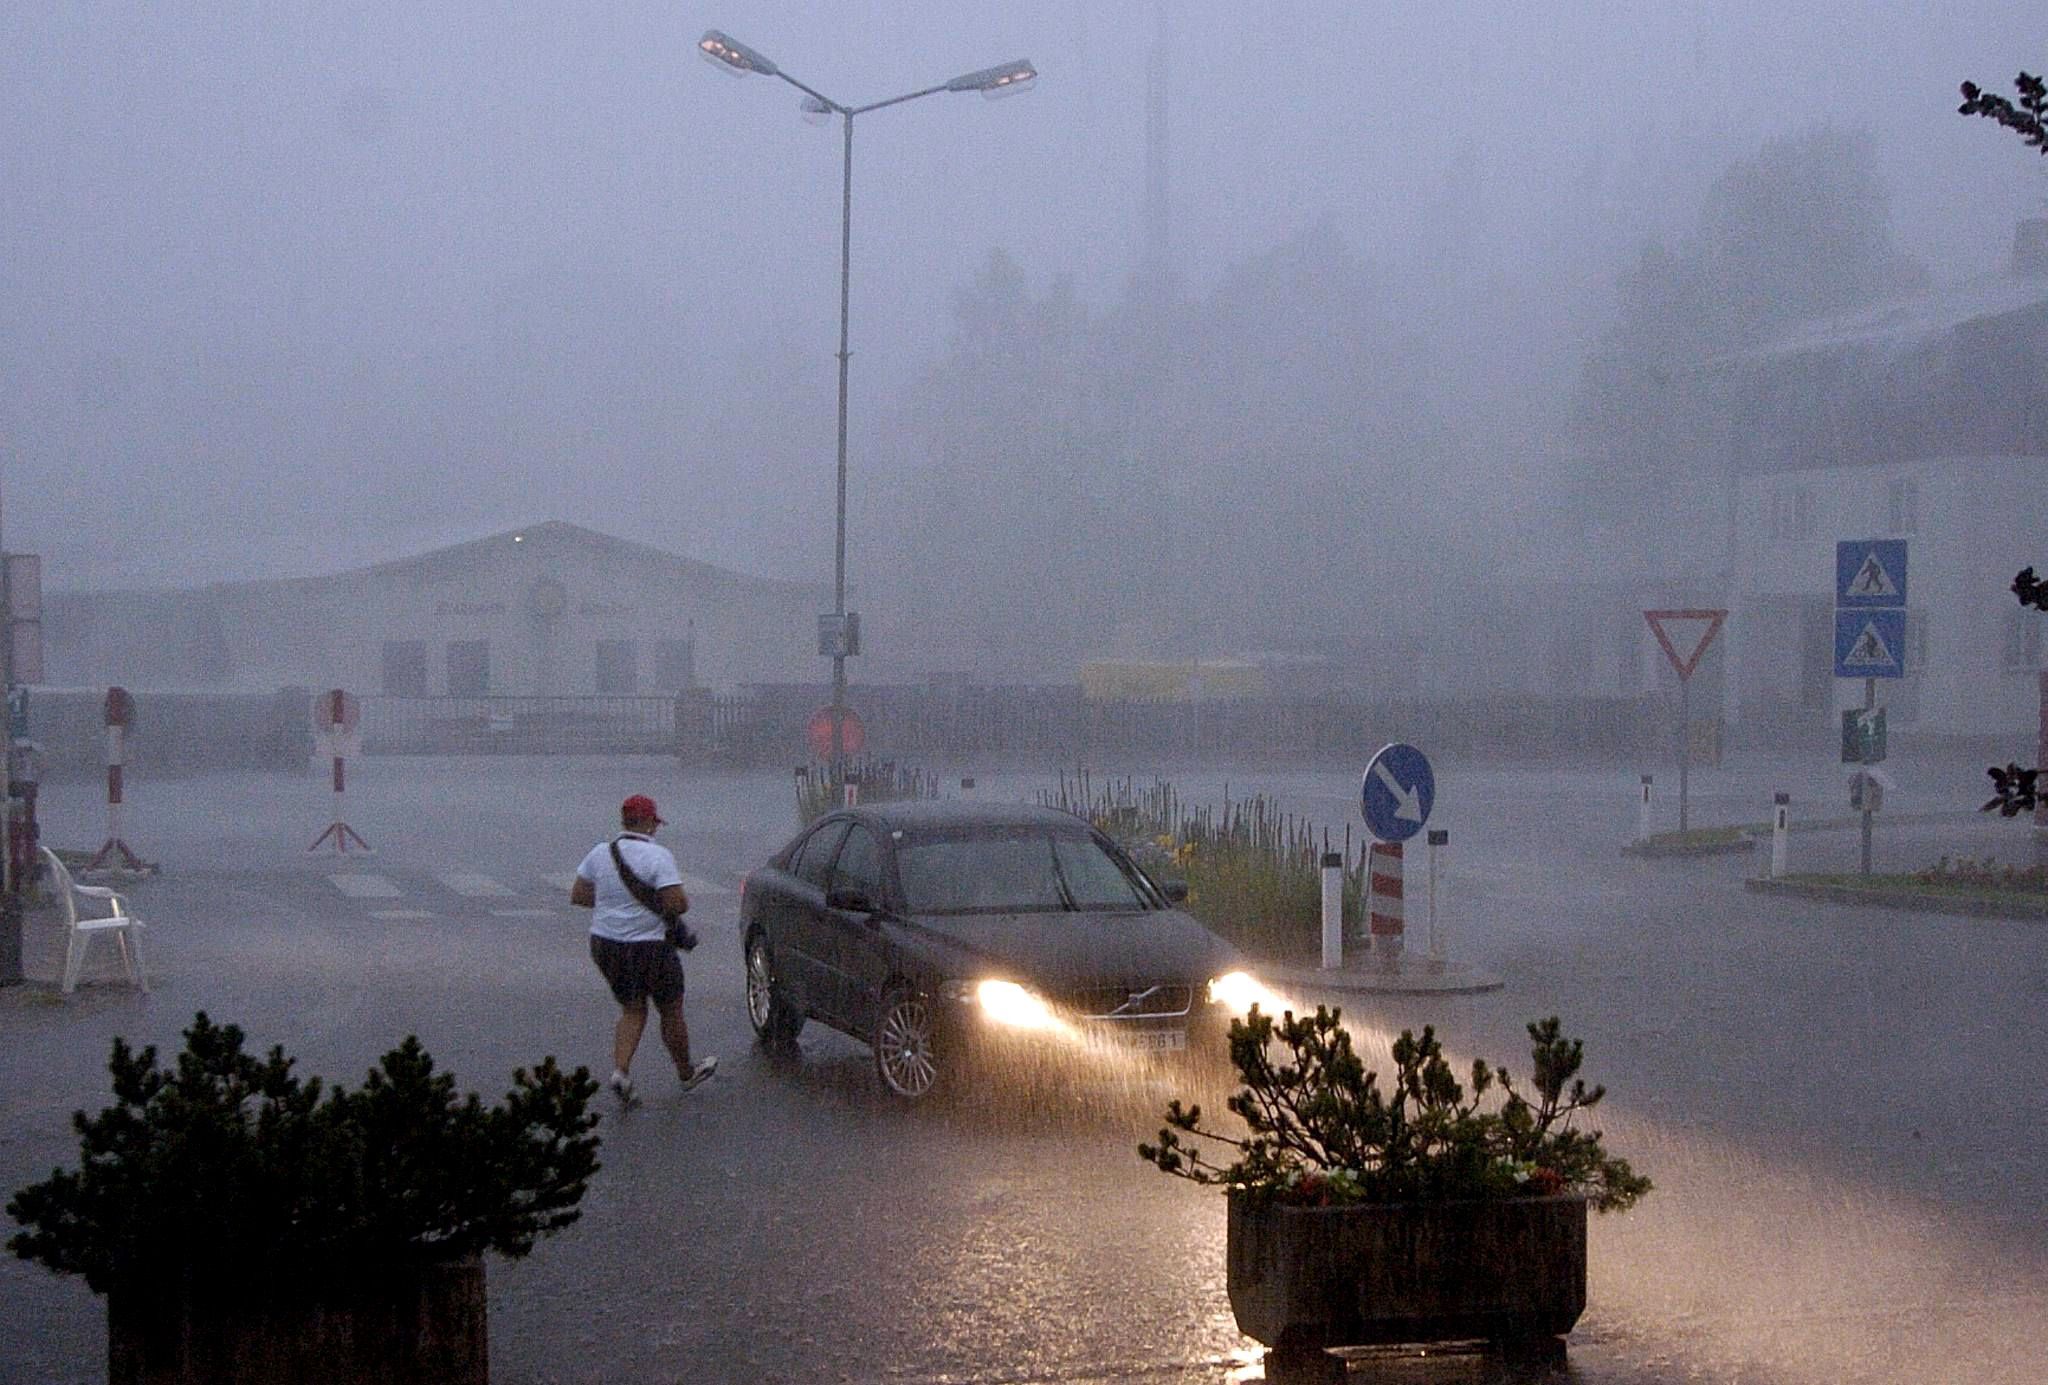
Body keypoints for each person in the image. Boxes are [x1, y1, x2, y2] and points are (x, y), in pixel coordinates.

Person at [572, 793, 716, 1107]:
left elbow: (579, 895)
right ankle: (685, 1072)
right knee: (671, 1009)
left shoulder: (600, 853)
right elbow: (677, 903)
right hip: (650, 947)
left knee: (632, 1009)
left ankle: (621, 1073)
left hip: (606, 944)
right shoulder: (658, 856)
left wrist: (615, 905)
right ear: (650, 822)